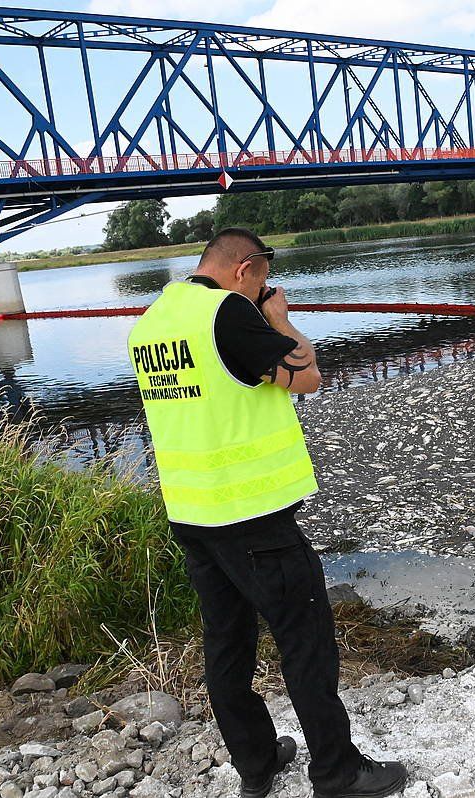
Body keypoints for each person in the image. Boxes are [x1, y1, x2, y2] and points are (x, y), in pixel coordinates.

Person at [126, 227, 408, 798]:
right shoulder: (227, 313)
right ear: (243, 268)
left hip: (191, 511)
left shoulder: (154, 321)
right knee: (304, 640)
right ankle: (336, 771)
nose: (260, 288)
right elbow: (307, 375)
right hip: (253, 514)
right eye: (259, 279)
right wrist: (277, 319)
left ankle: (256, 765)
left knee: (226, 644)